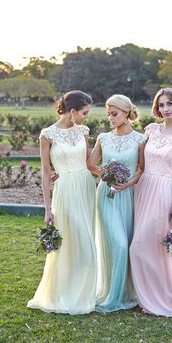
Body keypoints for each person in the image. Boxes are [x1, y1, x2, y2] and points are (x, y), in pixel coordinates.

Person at [130, 88, 172, 317]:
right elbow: (139, 163)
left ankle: (164, 296)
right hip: (144, 189)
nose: (165, 109)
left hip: (164, 191)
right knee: (141, 244)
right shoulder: (150, 130)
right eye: (161, 105)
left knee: (153, 244)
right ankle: (144, 294)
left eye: (169, 104)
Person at [27, 90, 97, 314]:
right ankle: (63, 293)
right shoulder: (47, 135)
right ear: (73, 111)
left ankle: (84, 292)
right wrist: (48, 208)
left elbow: (88, 161)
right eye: (84, 113)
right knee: (68, 241)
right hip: (65, 191)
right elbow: (46, 172)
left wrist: (108, 169)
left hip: (85, 186)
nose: (86, 117)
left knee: (86, 240)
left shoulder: (83, 131)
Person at [87, 94, 147, 312]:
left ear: (126, 113)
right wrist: (107, 174)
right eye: (108, 114)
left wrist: (128, 182)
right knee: (118, 245)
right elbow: (91, 164)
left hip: (127, 196)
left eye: (115, 114)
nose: (110, 118)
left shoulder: (140, 139)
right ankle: (112, 295)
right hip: (105, 195)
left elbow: (142, 168)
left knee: (125, 243)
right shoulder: (103, 137)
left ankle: (123, 292)